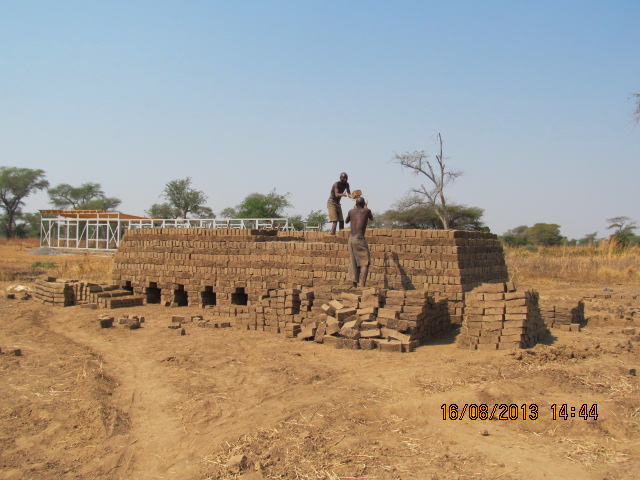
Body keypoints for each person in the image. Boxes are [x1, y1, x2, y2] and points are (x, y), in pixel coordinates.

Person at [345, 196, 374, 288]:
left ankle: (354, 286)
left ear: (356, 204)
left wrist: (354, 209)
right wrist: (366, 207)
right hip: (359, 239)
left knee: (353, 261)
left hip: (351, 239)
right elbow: (371, 218)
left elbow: (346, 221)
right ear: (364, 203)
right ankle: (362, 286)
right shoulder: (367, 211)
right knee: (365, 263)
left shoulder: (351, 211)